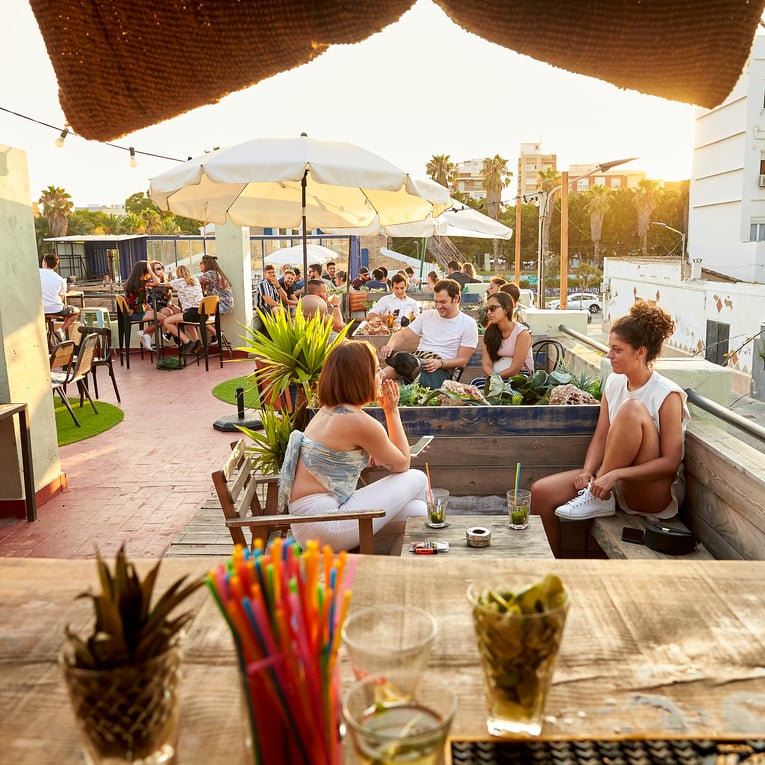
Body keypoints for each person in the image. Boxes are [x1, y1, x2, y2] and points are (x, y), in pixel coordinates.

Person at [531, 301, 690, 557]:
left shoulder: (666, 394)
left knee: (631, 410)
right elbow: (601, 435)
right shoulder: (615, 383)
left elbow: (670, 463)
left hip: (651, 491)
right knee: (540, 493)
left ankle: (597, 497)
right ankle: (554, 571)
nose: (609, 355)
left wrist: (614, 476)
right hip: (611, 481)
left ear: (640, 352)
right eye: (609, 348)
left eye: (617, 350)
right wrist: (587, 471)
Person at [278, 341, 429, 553]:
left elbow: (339, 460)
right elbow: (402, 464)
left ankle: (393, 573)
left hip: (309, 523)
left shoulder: (328, 410)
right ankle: (421, 558)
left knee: (418, 513)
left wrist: (386, 456)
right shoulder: (357, 421)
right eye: (376, 370)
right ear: (359, 377)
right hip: (324, 523)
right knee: (417, 478)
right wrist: (391, 411)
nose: (381, 376)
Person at [379, 278, 479, 389]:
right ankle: (373, 383)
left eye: (443, 302)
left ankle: (373, 381)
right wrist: (389, 346)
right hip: (417, 361)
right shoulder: (428, 315)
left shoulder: (468, 323)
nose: (439, 306)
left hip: (440, 370)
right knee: (395, 376)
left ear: (456, 298)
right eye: (436, 301)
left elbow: (462, 361)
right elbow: (402, 334)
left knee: (403, 362)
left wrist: (440, 363)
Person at [471, 292, 533, 387]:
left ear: (506, 309)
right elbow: (486, 364)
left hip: (519, 378)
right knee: (474, 384)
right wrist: (494, 378)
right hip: (496, 377)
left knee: (476, 385)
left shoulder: (522, 333)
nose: (488, 313)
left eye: (493, 308)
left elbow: (515, 368)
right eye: (487, 309)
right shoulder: (490, 332)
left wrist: (495, 378)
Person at [160, 264, 205, 355]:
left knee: (167, 322)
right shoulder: (195, 280)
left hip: (192, 312)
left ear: (177, 273)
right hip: (203, 313)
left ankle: (187, 342)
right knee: (188, 324)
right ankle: (197, 342)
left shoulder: (178, 281)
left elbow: (164, 284)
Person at [39, 253, 80, 337]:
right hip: (56, 309)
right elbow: (61, 297)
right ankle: (61, 330)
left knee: (45, 317)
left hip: (40, 309)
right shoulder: (60, 279)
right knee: (77, 311)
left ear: (44, 263)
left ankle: (46, 333)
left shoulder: (37, 273)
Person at [123, 259, 160, 347]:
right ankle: (144, 333)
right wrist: (151, 271)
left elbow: (139, 301)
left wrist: (151, 310)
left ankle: (147, 339)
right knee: (163, 318)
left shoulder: (129, 283)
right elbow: (157, 282)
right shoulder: (141, 283)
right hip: (138, 313)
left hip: (132, 312)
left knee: (157, 316)